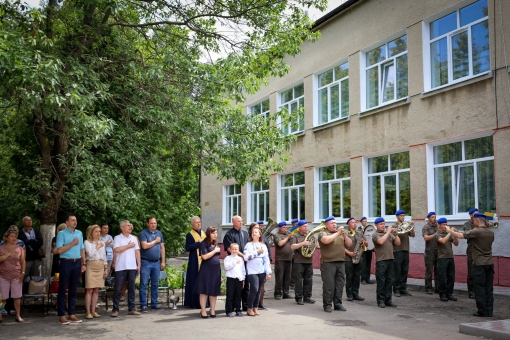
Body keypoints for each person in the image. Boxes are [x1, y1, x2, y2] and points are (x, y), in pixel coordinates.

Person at [448, 213, 495, 317]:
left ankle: (482, 311)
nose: (473, 222)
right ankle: (489, 311)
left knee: (479, 287)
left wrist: (449, 230)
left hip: (479, 263)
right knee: (489, 288)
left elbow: (460, 236)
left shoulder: (477, 231)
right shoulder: (491, 232)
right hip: (490, 263)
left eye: (474, 221)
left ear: (477, 221)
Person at [55, 214, 86, 324]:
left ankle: (72, 314)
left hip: (77, 262)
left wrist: (84, 263)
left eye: (75, 220)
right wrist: (72, 243)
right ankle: (62, 315)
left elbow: (82, 249)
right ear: (67, 222)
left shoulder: (79, 233)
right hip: (66, 262)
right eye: (72, 220)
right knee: (62, 289)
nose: (75, 222)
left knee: (73, 289)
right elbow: (59, 250)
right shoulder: (61, 234)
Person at [318, 216, 352, 312]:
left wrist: (344, 235)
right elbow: (326, 240)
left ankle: (338, 304)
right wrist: (337, 233)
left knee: (339, 285)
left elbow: (349, 244)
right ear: (327, 225)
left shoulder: (341, 234)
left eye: (335, 223)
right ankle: (327, 305)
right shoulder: (323, 233)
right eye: (332, 223)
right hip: (328, 263)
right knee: (329, 285)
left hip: (341, 262)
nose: (335, 225)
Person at [111, 220, 141, 317]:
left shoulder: (134, 238)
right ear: (122, 227)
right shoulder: (117, 238)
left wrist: (139, 264)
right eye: (127, 225)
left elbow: (137, 252)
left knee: (131, 288)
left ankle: (131, 308)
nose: (130, 227)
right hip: (121, 266)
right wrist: (128, 246)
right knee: (118, 288)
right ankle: (115, 309)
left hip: (132, 266)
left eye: (130, 225)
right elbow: (116, 249)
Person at [223, 215, 249, 310]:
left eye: (241, 221)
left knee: (245, 285)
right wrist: (242, 256)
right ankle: (233, 306)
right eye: (238, 221)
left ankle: (245, 305)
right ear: (233, 222)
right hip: (235, 261)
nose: (241, 223)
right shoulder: (229, 234)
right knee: (233, 289)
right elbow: (230, 249)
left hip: (245, 262)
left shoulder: (245, 234)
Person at [139, 216, 165, 312]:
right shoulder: (143, 233)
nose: (153, 225)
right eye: (151, 223)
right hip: (146, 262)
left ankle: (154, 303)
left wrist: (163, 261)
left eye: (155, 223)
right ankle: (143, 305)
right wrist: (155, 241)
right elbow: (144, 246)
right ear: (147, 224)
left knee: (155, 284)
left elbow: (162, 247)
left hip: (156, 263)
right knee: (144, 284)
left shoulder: (159, 233)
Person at [0, 226, 26, 323]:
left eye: (15, 236)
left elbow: (23, 262)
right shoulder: (1, 248)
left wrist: (22, 273)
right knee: (2, 298)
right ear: (6, 238)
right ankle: (0, 316)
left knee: (17, 297)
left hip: (16, 276)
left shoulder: (20, 249)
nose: (14, 238)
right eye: (11, 236)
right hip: (3, 276)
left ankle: (18, 315)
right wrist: (7, 254)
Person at [244, 225, 271, 316]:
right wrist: (256, 252)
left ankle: (255, 307)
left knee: (259, 289)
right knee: (254, 288)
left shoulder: (263, 245)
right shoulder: (248, 245)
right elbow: (246, 257)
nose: (253, 233)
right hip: (252, 271)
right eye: (252, 232)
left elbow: (266, 259)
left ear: (259, 235)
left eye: (256, 232)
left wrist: (268, 272)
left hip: (261, 270)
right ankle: (249, 307)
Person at [373, 217, 400, 308]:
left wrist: (396, 235)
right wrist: (388, 232)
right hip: (381, 261)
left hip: (390, 259)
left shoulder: (388, 234)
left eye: (384, 224)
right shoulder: (375, 234)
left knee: (389, 281)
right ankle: (381, 300)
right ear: (376, 225)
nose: (383, 226)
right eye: (381, 224)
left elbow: (398, 243)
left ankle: (388, 300)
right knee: (381, 281)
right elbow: (380, 242)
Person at [195, 226, 221, 318]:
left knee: (213, 291)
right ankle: (203, 311)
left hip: (215, 270)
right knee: (204, 290)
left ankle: (213, 310)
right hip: (206, 270)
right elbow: (204, 256)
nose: (215, 235)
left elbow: (216, 257)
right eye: (213, 233)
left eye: (216, 233)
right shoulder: (203, 243)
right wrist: (214, 251)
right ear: (209, 233)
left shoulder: (216, 243)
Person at [84, 225, 108, 319]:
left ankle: (94, 311)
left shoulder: (102, 242)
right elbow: (90, 254)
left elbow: (104, 256)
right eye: (96, 232)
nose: (98, 233)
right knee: (89, 289)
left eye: (99, 231)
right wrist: (97, 247)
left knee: (96, 290)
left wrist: (105, 268)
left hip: (100, 265)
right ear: (91, 233)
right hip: (91, 265)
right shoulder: (87, 242)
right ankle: (88, 311)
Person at [290, 220, 314, 306]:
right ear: (300, 227)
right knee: (299, 280)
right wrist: (303, 243)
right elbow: (292, 247)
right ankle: (299, 298)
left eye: (307, 226)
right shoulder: (295, 236)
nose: (306, 228)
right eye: (304, 226)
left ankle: (307, 297)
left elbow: (315, 245)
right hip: (299, 261)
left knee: (309, 279)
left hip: (309, 260)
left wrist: (314, 245)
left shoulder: (310, 235)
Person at [434, 218, 458, 302]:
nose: (445, 226)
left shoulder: (448, 233)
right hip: (442, 258)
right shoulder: (437, 234)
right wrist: (450, 232)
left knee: (451, 277)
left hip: (450, 257)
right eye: (444, 224)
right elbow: (443, 241)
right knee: (442, 277)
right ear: (439, 225)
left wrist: (454, 235)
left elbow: (456, 244)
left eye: (446, 224)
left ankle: (449, 293)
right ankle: (442, 294)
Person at [392, 209, 415, 297]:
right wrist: (402, 228)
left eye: (403, 215)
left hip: (406, 249)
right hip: (397, 250)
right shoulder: (394, 226)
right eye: (401, 215)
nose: (403, 217)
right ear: (397, 216)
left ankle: (403, 288)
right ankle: (396, 289)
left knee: (405, 270)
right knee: (397, 271)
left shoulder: (406, 225)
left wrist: (412, 226)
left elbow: (413, 235)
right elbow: (395, 237)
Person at [184, 216, 205, 309]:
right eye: (196, 222)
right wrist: (198, 244)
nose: (199, 224)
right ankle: (194, 302)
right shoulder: (190, 235)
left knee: (203, 281)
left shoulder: (204, 233)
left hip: (204, 260)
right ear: (192, 224)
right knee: (194, 281)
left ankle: (204, 303)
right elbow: (188, 248)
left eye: (199, 222)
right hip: (194, 261)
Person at [344, 217, 367, 302]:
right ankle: (349, 295)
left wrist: (363, 242)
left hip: (358, 257)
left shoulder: (359, 233)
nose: (355, 224)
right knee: (349, 277)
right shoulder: (345, 233)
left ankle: (356, 294)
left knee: (357, 277)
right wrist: (349, 253)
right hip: (348, 258)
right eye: (352, 222)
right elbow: (340, 247)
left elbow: (367, 244)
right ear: (348, 224)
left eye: (355, 222)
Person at [272, 221, 293, 300]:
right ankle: (277, 293)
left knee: (287, 278)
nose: (286, 229)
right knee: (279, 278)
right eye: (284, 227)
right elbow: (280, 244)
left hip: (289, 259)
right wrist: (288, 237)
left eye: (286, 227)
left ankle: (286, 293)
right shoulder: (276, 235)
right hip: (280, 259)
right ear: (279, 228)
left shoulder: (288, 235)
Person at [224, 243, 246, 317]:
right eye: (232, 249)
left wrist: (243, 279)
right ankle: (229, 310)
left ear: (238, 250)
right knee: (230, 295)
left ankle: (238, 309)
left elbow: (243, 270)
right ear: (230, 250)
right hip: (231, 279)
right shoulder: (227, 258)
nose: (234, 250)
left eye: (236, 249)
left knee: (238, 295)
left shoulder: (240, 259)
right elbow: (227, 267)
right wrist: (234, 262)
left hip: (239, 279)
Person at [256, 220, 272, 310]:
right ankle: (253, 304)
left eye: (261, 226)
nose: (261, 228)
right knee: (254, 286)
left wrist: (269, 262)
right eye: (259, 226)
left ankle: (260, 303)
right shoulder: (250, 239)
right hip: (254, 266)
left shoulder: (264, 238)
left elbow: (268, 251)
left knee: (262, 285)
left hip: (263, 265)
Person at [463, 207, 478, 299]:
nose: (476, 215)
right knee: (471, 271)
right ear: (471, 215)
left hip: (480, 248)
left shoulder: (481, 222)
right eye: (475, 214)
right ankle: (471, 291)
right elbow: (468, 234)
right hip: (471, 249)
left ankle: (478, 290)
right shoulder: (467, 224)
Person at [422, 212, 439, 295]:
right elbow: (426, 238)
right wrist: (435, 234)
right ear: (429, 218)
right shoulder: (426, 227)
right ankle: (428, 288)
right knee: (429, 270)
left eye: (435, 217)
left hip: (438, 250)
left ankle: (437, 287)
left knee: (438, 269)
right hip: (429, 250)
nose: (434, 218)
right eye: (432, 217)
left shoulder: (438, 226)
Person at [360, 217, 375, 285]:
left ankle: (367, 279)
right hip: (363, 248)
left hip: (369, 248)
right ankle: (363, 279)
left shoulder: (369, 229)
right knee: (363, 264)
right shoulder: (359, 229)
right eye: (363, 221)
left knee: (368, 264)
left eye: (366, 221)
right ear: (361, 222)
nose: (365, 222)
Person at [289, 218, 299, 289]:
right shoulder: (291, 231)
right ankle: (292, 283)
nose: (296, 226)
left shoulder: (299, 230)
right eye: (295, 224)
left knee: (296, 269)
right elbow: (290, 243)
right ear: (292, 225)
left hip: (298, 253)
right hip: (292, 252)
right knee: (292, 269)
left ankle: (295, 282)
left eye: (297, 224)